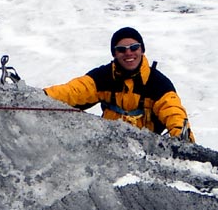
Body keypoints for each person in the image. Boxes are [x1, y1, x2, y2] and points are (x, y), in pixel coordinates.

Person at [44, 27, 195, 142]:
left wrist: (183, 140)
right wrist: (39, 95)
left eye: (134, 47)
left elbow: (174, 112)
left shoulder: (158, 83)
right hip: (109, 148)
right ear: (114, 54)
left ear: (142, 50)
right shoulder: (102, 77)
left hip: (149, 153)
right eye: (121, 49)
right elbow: (72, 91)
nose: (128, 53)